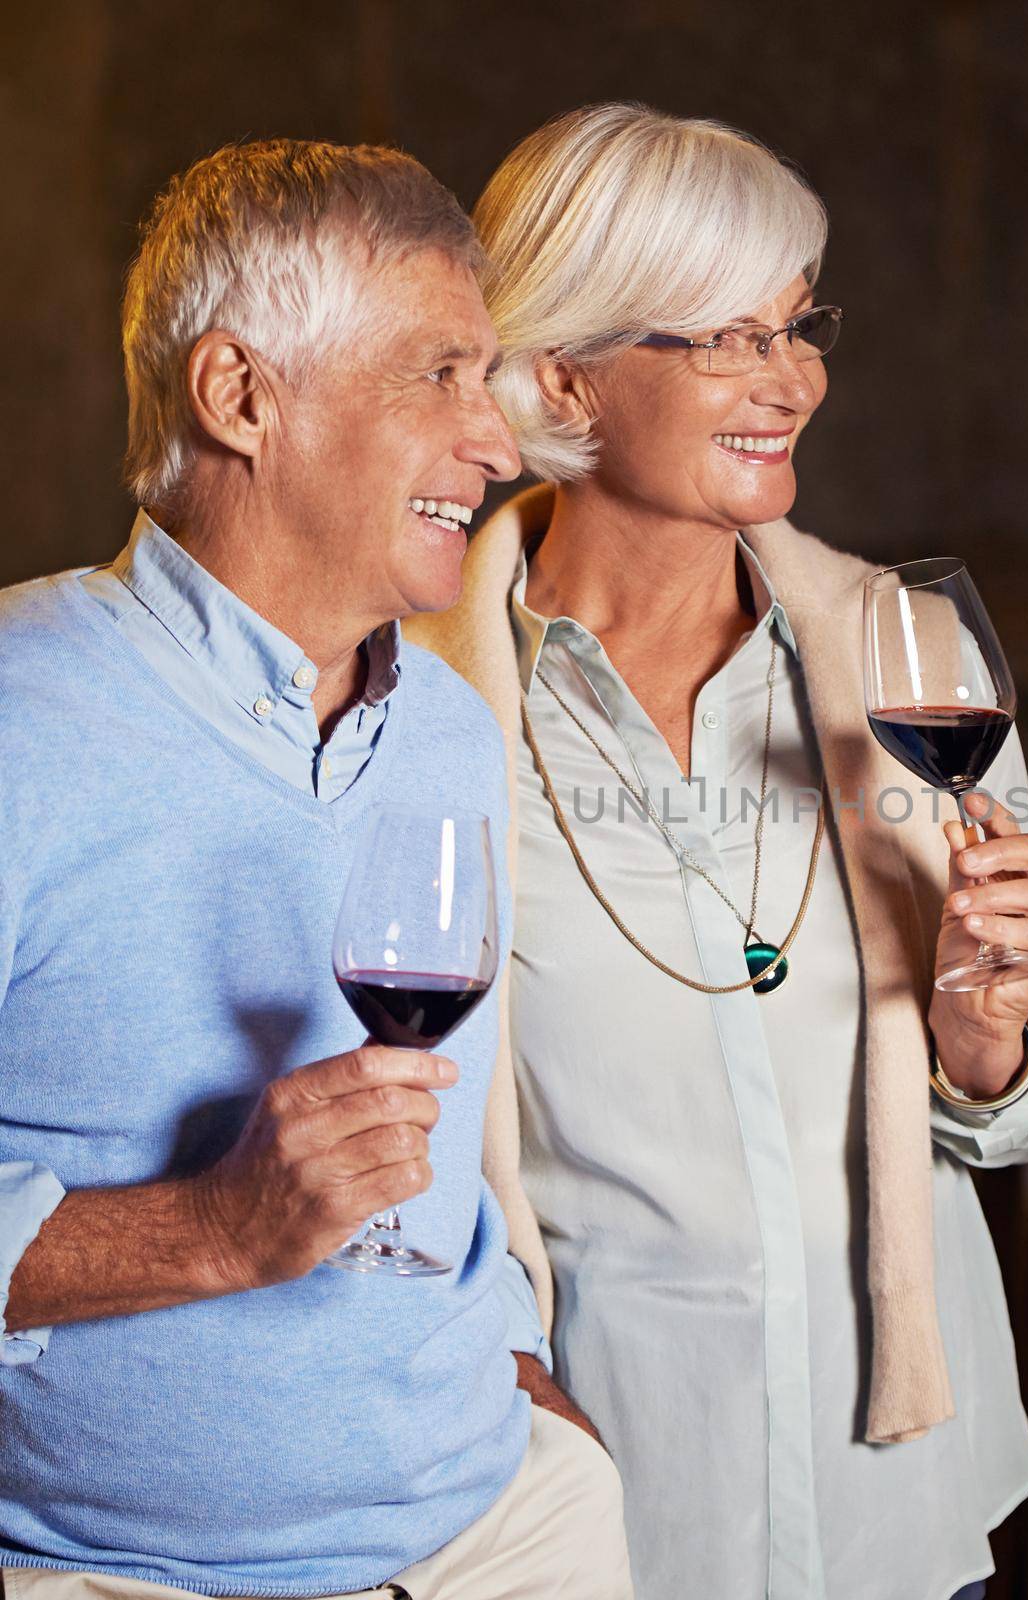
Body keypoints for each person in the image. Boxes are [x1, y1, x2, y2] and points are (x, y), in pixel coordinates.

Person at [406, 103, 1028, 1600]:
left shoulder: (895, 652)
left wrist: (988, 1029)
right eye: (726, 339)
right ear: (563, 372)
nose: (794, 381)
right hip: (609, 1517)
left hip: (904, 1512)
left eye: (797, 328)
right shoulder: (410, 702)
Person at [0, 139, 631, 1599]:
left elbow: (446, 1149)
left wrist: (519, 1367)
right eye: (440, 376)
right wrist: (209, 1229)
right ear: (241, 397)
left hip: (506, 1542)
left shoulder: (451, 735)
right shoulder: (20, 715)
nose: (498, 443)